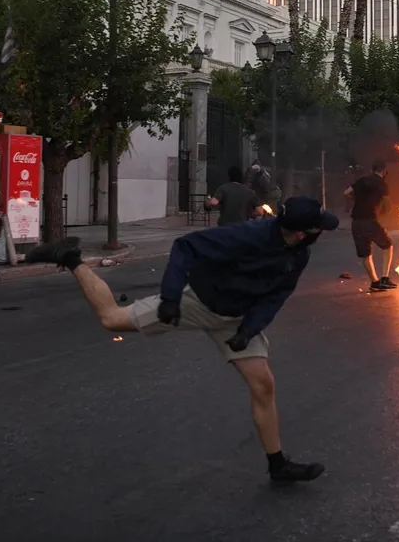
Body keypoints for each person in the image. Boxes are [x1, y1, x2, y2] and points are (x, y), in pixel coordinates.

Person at [25, 196, 339, 483]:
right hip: (197, 303)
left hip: (235, 320)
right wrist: (171, 298)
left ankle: (278, 465)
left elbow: (277, 295)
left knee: (263, 384)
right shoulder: (249, 235)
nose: (317, 234)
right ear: (299, 231)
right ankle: (71, 258)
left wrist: (249, 330)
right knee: (111, 319)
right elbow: (186, 246)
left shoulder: (299, 255)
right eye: (315, 229)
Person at [344, 160, 397, 292]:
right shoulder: (382, 184)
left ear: (372, 170)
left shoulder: (362, 180)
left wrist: (357, 200)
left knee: (366, 254)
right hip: (369, 220)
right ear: (384, 171)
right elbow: (387, 205)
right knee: (387, 245)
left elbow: (346, 193)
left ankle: (375, 282)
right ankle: (384, 278)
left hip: (356, 221)